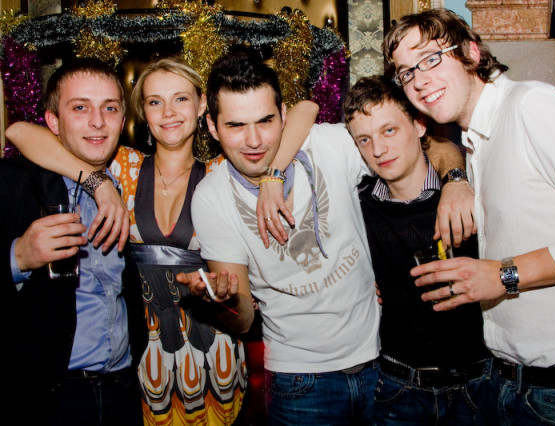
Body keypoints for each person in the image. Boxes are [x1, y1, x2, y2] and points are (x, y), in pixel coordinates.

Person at [6, 57, 318, 425]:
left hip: (213, 353)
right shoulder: (120, 168)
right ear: (142, 113)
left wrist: (271, 176)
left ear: (202, 106)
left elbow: (305, 110)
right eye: (155, 101)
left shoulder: (224, 173)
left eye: (181, 99)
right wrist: (97, 182)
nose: (168, 112)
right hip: (140, 361)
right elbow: (20, 132)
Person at [180, 48, 475, 424]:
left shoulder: (328, 144)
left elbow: (425, 145)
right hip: (299, 382)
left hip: (384, 367)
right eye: (236, 126)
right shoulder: (211, 198)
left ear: (283, 114)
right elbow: (242, 321)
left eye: (265, 121)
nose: (253, 140)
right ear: (211, 126)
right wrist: (221, 301)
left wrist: (455, 180)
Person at [383, 8, 555, 424]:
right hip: (507, 383)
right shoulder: (477, 138)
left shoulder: (531, 106)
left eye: (431, 58)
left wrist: (503, 275)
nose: (419, 80)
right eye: (406, 72)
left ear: (471, 52)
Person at [1, 58, 144, 425]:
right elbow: (17, 131)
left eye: (109, 108)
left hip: (123, 388)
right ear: (53, 122)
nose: (97, 121)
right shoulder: (14, 182)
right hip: (50, 396)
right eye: (80, 107)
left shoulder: (128, 178)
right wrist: (18, 257)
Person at [343, 75, 490, 424]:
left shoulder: (470, 194)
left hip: (479, 386)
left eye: (389, 130)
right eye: (364, 139)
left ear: (419, 125)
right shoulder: (359, 207)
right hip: (398, 389)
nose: (378, 150)